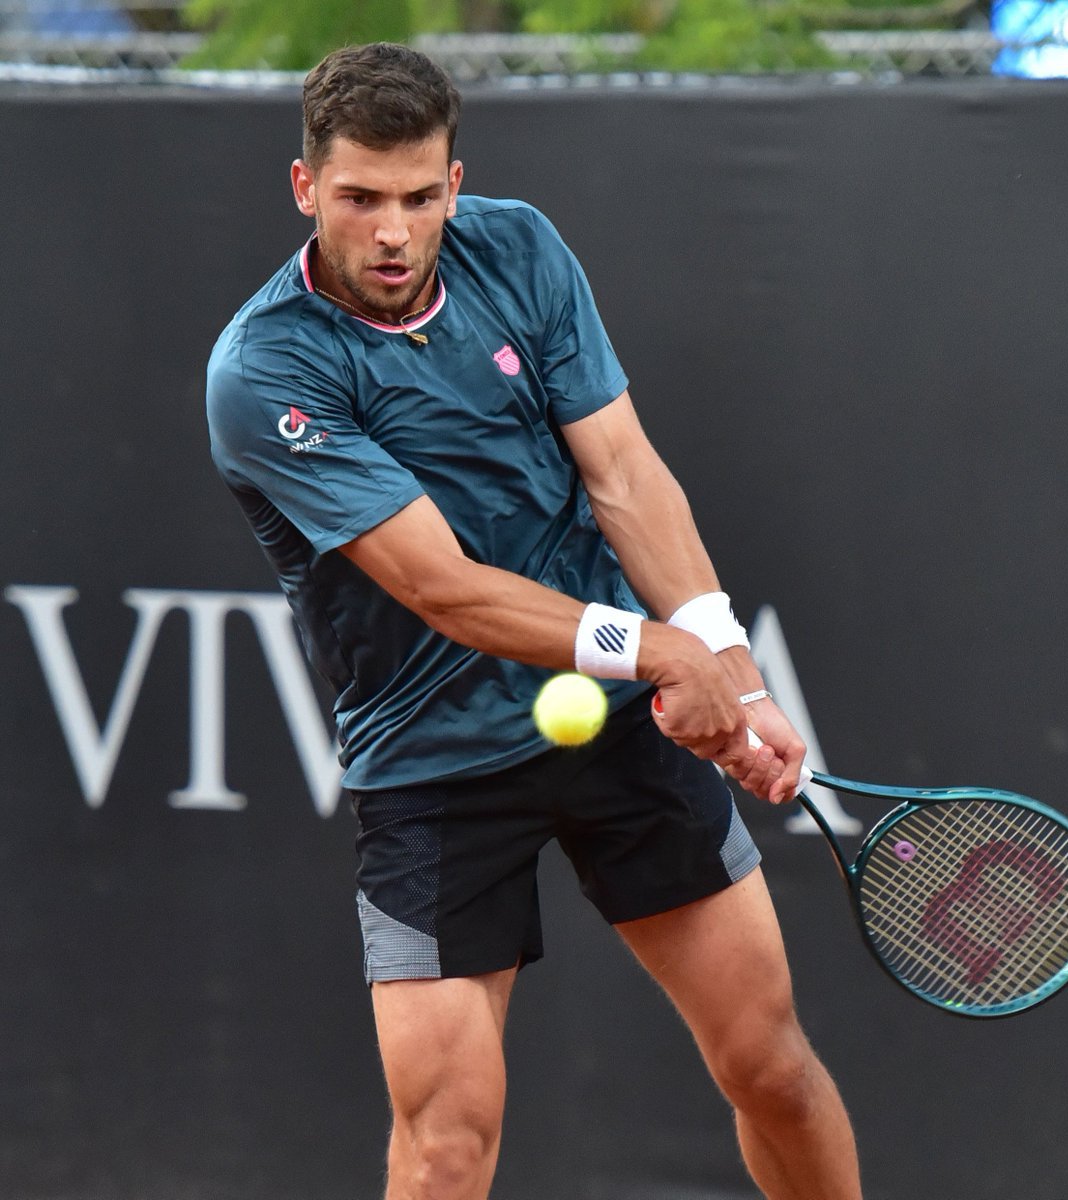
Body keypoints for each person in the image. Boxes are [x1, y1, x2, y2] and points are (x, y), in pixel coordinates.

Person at [205, 41, 862, 1200]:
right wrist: (658, 648)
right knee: (446, 1147)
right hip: (432, 767)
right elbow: (443, 587)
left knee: (770, 1066)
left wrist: (733, 672)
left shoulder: (520, 248)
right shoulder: (265, 370)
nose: (394, 234)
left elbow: (623, 472)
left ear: (456, 183)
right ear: (307, 189)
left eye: (420, 198)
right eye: (360, 200)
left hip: (619, 735)